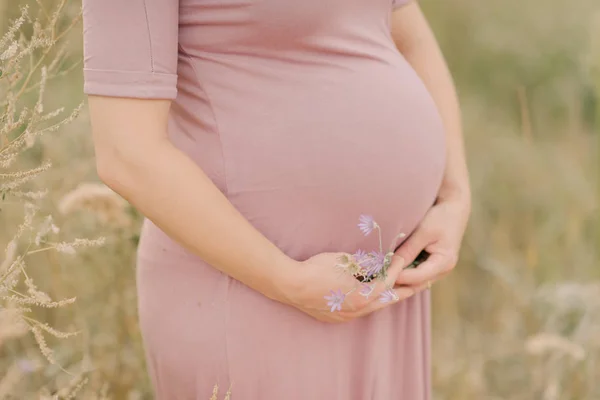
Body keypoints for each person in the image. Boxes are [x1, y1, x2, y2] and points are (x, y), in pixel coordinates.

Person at [81, 0, 471, 398]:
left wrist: (453, 197)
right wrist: (289, 282)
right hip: (255, 286)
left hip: (384, 280)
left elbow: (411, 38)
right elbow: (126, 153)